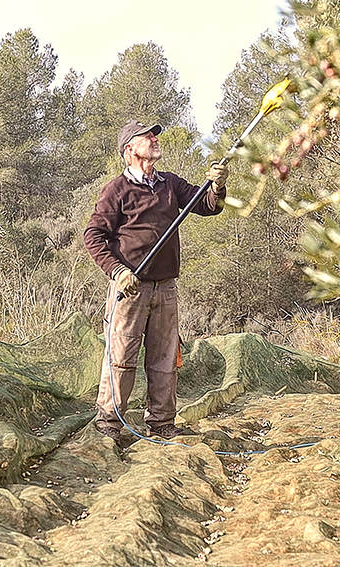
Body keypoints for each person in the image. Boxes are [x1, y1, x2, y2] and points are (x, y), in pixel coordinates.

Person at [84, 120, 228, 445]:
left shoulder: (170, 184)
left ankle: (162, 424)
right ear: (130, 148)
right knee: (120, 357)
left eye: (154, 135)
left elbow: (207, 206)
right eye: (147, 136)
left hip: (165, 287)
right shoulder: (116, 190)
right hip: (129, 288)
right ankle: (109, 426)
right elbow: (93, 235)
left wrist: (218, 187)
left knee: (164, 359)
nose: (154, 139)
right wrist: (117, 271)